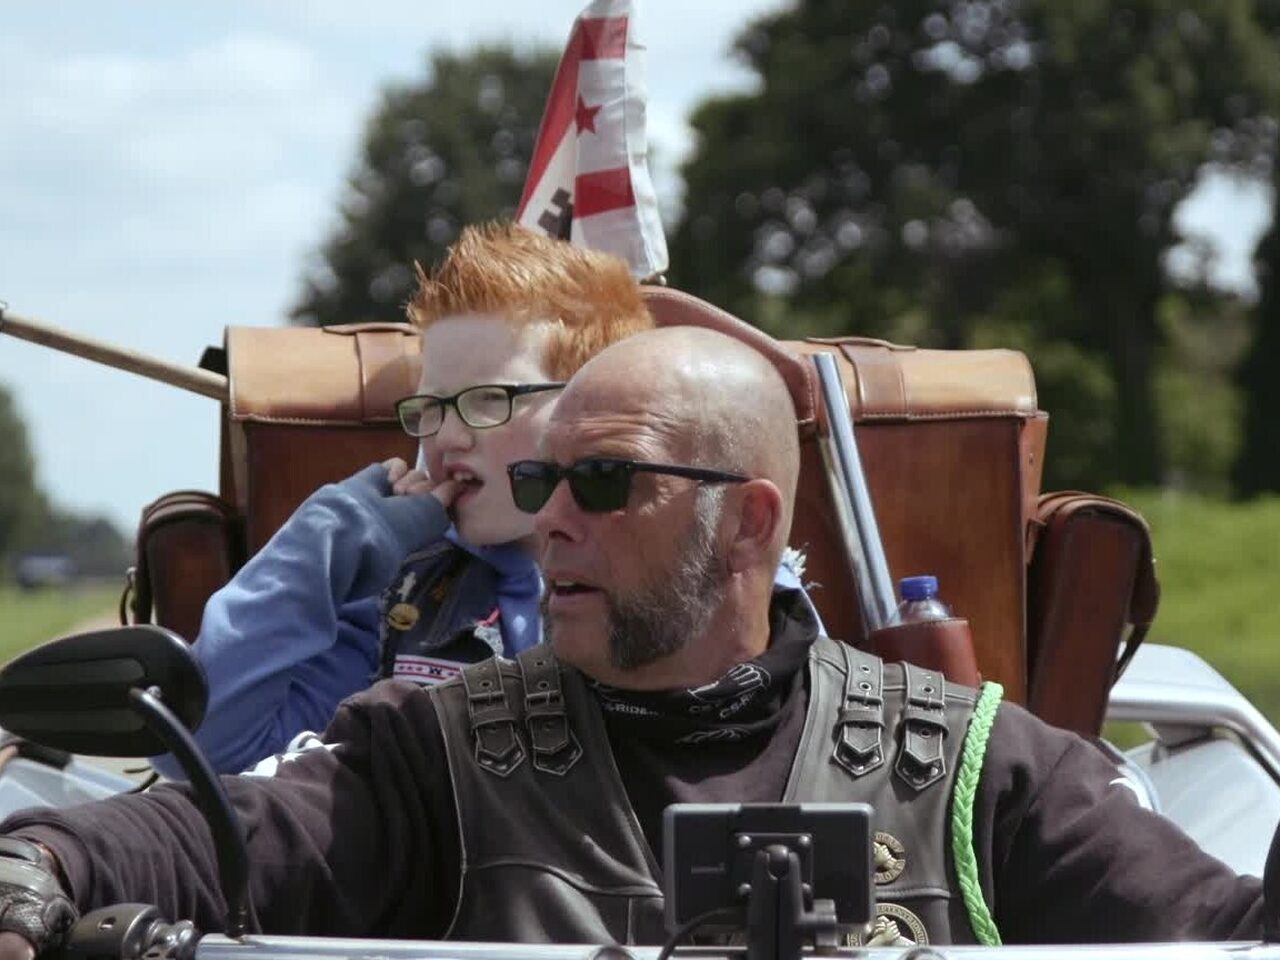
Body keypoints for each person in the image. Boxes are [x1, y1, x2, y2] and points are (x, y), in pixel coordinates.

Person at [0, 327, 1276, 956]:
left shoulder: (983, 768)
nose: (549, 520)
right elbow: (195, 839)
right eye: (541, 480)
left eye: (603, 484)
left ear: (747, 522)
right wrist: (34, 865)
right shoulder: (427, 756)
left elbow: (1224, 933)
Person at [163, 222, 658, 776]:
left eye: (488, 400)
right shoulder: (398, 598)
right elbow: (200, 746)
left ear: (593, 403)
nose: (447, 437)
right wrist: (330, 532)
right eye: (431, 407)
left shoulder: (667, 579)